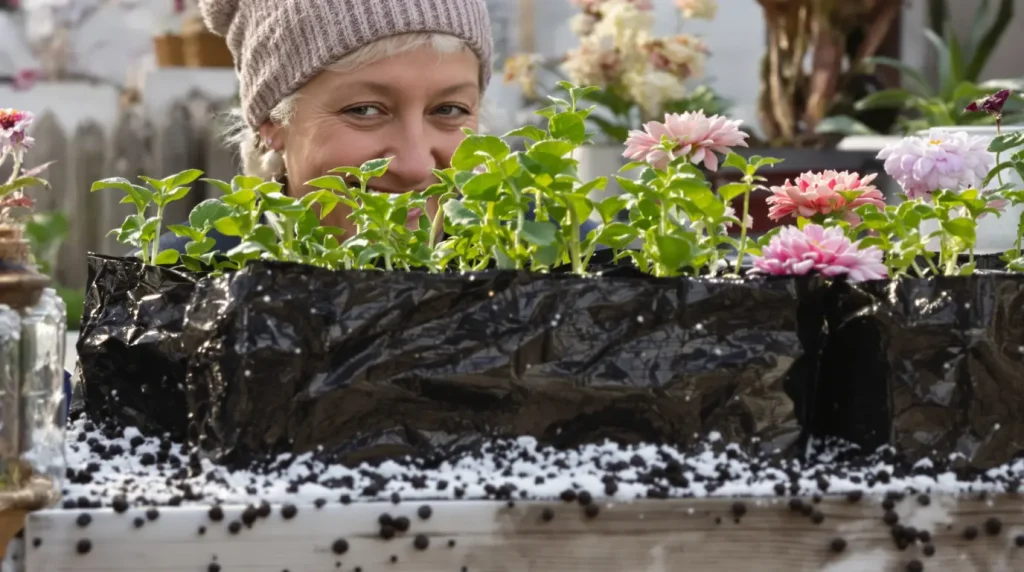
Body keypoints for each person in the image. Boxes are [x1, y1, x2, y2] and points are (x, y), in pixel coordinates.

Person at [158, 0, 597, 254]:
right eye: (365, 110)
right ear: (271, 122)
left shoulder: (554, 255)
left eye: (448, 110)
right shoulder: (190, 284)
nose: (414, 165)